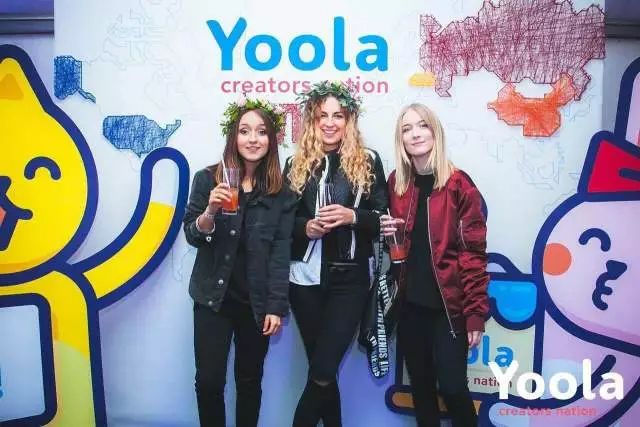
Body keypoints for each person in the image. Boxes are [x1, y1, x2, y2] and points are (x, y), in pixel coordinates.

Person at [183, 97, 295, 427]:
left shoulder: (281, 193)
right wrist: (210, 211)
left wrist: (276, 306)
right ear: (233, 136)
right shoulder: (207, 179)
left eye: (261, 132)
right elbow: (192, 234)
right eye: (244, 131)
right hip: (212, 299)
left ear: (271, 140)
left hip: (255, 304)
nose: (252, 139)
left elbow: (281, 252)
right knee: (209, 382)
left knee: (249, 382)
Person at [284, 81, 388, 427]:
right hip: (303, 281)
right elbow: (282, 222)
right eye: (321, 116)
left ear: (349, 120)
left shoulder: (368, 161)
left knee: (323, 370)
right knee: (322, 371)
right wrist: (306, 228)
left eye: (338, 115)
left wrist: (352, 216)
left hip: (350, 280)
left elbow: (384, 220)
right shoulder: (295, 163)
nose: (329, 123)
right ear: (311, 122)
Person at [381, 103, 489, 427]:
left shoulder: (458, 184)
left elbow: (474, 254)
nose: (415, 134)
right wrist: (384, 232)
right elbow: (396, 245)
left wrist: (475, 313)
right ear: (401, 139)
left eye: (422, 125)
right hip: (410, 305)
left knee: (453, 388)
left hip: (448, 309)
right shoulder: (396, 183)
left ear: (435, 132)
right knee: (422, 388)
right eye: (407, 129)